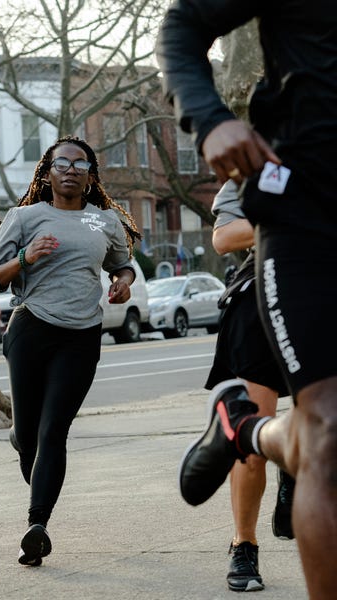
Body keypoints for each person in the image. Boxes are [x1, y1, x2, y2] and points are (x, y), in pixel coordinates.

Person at [156, 3, 337, 598]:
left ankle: (243, 428)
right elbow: (182, 27)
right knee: (328, 436)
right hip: (305, 208)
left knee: (316, 437)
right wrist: (208, 121)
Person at [0, 135, 140, 566]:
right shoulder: (24, 217)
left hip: (81, 336)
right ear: (47, 173)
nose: (71, 169)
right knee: (30, 434)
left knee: (54, 430)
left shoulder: (104, 221)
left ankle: (37, 526)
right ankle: (20, 437)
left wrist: (123, 282)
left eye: (81, 164)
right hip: (30, 330)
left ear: (90, 178)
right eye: (62, 163)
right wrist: (26, 258)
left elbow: (122, 263)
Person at [205, 180, 294, 592]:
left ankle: (294, 461)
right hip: (264, 301)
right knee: (253, 441)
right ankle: (244, 544)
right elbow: (225, 237)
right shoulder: (252, 167)